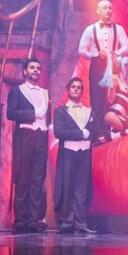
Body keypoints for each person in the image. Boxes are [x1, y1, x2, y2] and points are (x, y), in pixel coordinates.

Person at [6, 58, 50, 234]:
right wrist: (33, 113)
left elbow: (47, 118)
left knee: (37, 180)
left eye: (38, 68)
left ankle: (32, 220)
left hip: (41, 137)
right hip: (24, 136)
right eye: (32, 67)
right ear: (25, 71)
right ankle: (20, 220)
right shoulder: (17, 91)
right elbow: (11, 113)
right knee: (22, 178)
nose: (36, 70)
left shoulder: (45, 93)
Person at [78, 0, 128, 137]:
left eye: (110, 8)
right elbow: (81, 50)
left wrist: (114, 53)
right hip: (97, 66)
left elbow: (127, 47)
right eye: (105, 8)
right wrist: (96, 55)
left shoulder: (119, 29)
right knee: (96, 100)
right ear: (98, 11)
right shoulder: (90, 29)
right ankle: (97, 135)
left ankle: (110, 133)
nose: (108, 11)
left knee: (110, 99)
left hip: (113, 66)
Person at [53, 77, 96, 234]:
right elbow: (59, 132)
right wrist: (80, 134)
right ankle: (66, 222)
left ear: (82, 91)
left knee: (81, 188)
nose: (76, 89)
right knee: (67, 186)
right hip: (68, 152)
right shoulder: (60, 111)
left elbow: (94, 131)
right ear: (68, 90)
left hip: (85, 153)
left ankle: (80, 223)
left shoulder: (89, 111)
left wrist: (90, 135)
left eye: (79, 87)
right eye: (73, 87)